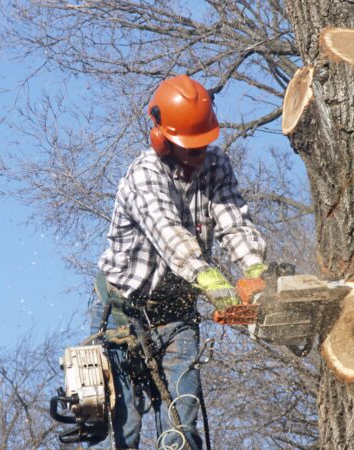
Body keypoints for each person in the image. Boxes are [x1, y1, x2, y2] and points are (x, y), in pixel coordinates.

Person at [90, 74, 267, 450]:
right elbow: (169, 235)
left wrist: (254, 269)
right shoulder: (144, 175)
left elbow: (233, 219)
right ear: (163, 139)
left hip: (177, 312)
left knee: (183, 426)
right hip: (123, 311)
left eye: (203, 146)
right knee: (122, 430)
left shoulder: (216, 165)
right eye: (191, 149)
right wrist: (210, 278)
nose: (198, 156)